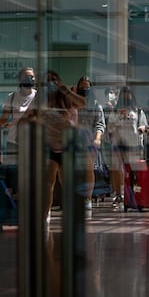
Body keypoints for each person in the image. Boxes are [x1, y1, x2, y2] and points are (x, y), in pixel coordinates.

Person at [42, 70, 85, 222]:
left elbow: (82, 103)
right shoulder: (44, 100)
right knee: (48, 181)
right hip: (50, 145)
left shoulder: (68, 98)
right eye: (47, 81)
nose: (51, 84)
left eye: (53, 80)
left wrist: (65, 90)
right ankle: (46, 213)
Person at [107, 86, 148, 205]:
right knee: (117, 168)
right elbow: (109, 127)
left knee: (134, 170)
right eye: (124, 94)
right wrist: (118, 120)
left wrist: (142, 129)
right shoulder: (115, 111)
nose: (126, 96)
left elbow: (145, 126)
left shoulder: (138, 111)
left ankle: (134, 193)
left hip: (133, 145)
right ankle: (119, 194)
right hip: (118, 144)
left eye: (128, 94)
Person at [73, 75, 105, 209]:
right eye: (82, 86)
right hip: (74, 141)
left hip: (89, 142)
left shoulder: (96, 106)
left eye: (87, 87)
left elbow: (100, 124)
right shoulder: (73, 104)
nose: (85, 89)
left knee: (88, 170)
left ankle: (88, 198)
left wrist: (97, 139)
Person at [0, 67, 37, 163]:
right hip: (14, 141)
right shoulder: (12, 97)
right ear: (20, 79)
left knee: (33, 173)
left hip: (33, 141)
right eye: (26, 76)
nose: (30, 79)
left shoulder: (39, 97)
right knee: (15, 172)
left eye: (32, 76)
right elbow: (4, 118)